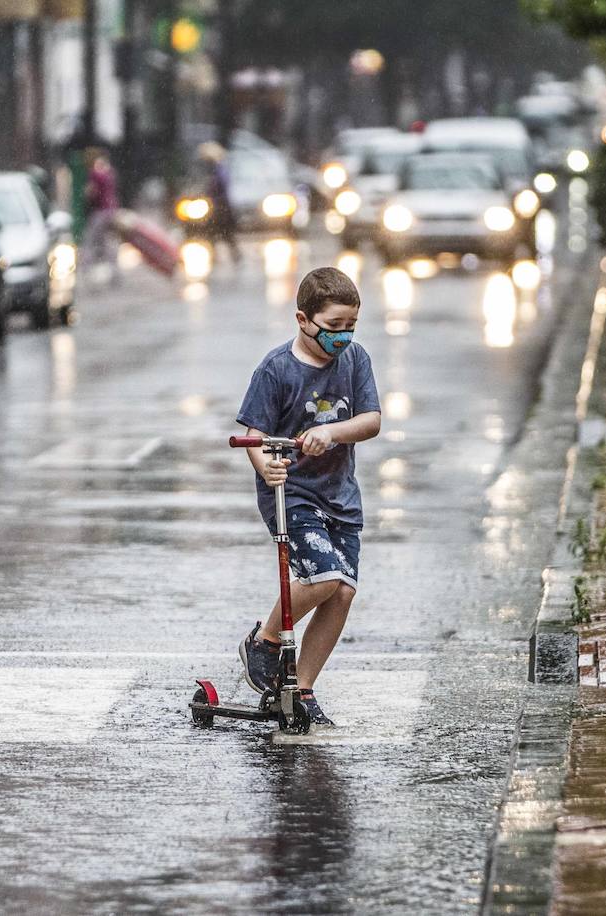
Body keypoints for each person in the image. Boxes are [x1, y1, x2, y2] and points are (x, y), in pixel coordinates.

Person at [235, 267, 381, 727]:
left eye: (350, 327)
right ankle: (265, 638)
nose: (342, 336)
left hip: (341, 497)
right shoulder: (276, 369)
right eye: (333, 326)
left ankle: (302, 687)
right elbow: (254, 436)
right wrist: (268, 466)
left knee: (342, 593)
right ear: (303, 319)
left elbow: (371, 420)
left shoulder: (355, 360)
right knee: (323, 576)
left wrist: (331, 432)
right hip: (293, 495)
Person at [199, 142, 241, 264]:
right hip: (218, 208)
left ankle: (232, 256)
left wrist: (212, 197)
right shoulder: (215, 170)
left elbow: (219, 188)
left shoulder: (219, 170)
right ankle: (219, 256)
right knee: (219, 234)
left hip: (221, 208)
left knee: (224, 234)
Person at [83, 148, 120, 282]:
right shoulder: (110, 171)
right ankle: (115, 272)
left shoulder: (95, 173)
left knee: (90, 240)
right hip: (111, 210)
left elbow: (91, 192)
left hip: (100, 211)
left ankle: (85, 270)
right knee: (108, 242)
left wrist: (87, 196)